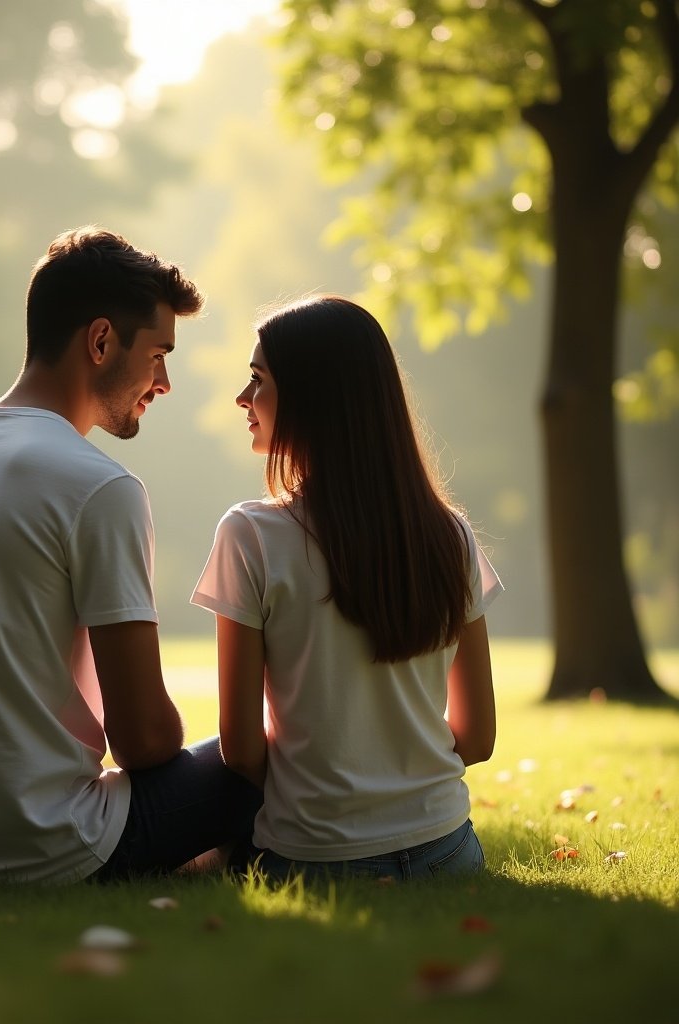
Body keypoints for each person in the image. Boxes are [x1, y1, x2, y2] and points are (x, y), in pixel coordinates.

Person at [0, 226, 261, 884]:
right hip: (44, 847)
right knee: (261, 755)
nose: (164, 382)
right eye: (158, 354)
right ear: (101, 341)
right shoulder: (99, 485)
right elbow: (144, 742)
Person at [191, 295, 503, 885]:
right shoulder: (450, 535)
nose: (242, 398)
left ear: (312, 397)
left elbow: (239, 748)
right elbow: (479, 737)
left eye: (258, 380)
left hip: (313, 858)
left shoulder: (251, 535)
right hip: (447, 850)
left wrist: (329, 805)